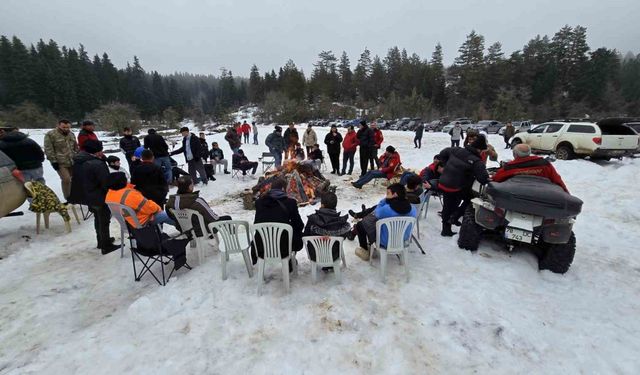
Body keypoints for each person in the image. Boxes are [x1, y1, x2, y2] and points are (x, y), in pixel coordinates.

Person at [67, 140, 118, 254]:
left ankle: (101, 240)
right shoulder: (97, 164)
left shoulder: (79, 160)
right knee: (104, 219)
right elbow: (105, 182)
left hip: (86, 194)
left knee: (97, 217)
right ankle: (106, 245)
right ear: (97, 151)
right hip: (98, 195)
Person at [437, 136, 490, 236]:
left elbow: (442, 153)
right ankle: (454, 216)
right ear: (479, 149)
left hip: (443, 182)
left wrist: (446, 165)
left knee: (448, 205)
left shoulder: (456, 150)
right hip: (456, 187)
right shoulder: (476, 161)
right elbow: (483, 179)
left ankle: (447, 225)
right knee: (471, 198)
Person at [353, 183, 417, 260]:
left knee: (361, 225)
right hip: (403, 239)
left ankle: (364, 251)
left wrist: (384, 201)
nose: (386, 195)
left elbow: (376, 212)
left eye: (388, 193)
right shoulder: (413, 209)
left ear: (395, 194)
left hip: (385, 241)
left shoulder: (387, 209)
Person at [251, 177, 304, 266]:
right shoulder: (290, 203)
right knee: (295, 232)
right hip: (283, 248)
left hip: (261, 246)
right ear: (283, 189)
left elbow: (257, 222)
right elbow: (299, 225)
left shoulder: (259, 202)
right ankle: (289, 261)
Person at [166, 176, 231, 237]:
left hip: (185, 230)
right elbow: (213, 218)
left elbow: (170, 216)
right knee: (227, 218)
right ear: (190, 187)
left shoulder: (171, 202)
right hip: (201, 231)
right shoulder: (197, 201)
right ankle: (233, 240)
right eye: (192, 184)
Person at [105, 171, 176, 228]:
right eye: (125, 179)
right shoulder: (129, 195)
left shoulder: (109, 194)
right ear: (122, 181)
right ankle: (184, 228)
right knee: (169, 215)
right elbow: (150, 208)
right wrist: (158, 208)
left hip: (128, 220)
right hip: (141, 220)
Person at [493, 144, 569, 192]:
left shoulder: (509, 167)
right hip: (542, 197)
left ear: (515, 154)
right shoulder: (544, 164)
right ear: (529, 153)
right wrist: (566, 193)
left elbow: (496, 179)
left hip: (516, 196)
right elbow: (557, 180)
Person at [303, 192, 351, 263]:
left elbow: (306, 235)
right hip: (334, 255)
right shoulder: (341, 222)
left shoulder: (312, 220)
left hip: (315, 255)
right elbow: (343, 237)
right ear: (335, 205)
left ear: (322, 205)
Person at [44, 119, 79, 199]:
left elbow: (75, 147)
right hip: (60, 162)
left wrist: (78, 155)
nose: (66, 129)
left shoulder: (71, 134)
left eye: (68, 127)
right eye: (64, 127)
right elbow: (48, 149)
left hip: (72, 160)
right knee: (66, 179)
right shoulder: (51, 134)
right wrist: (53, 161)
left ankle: (75, 195)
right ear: (59, 125)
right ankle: (68, 198)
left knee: (74, 179)